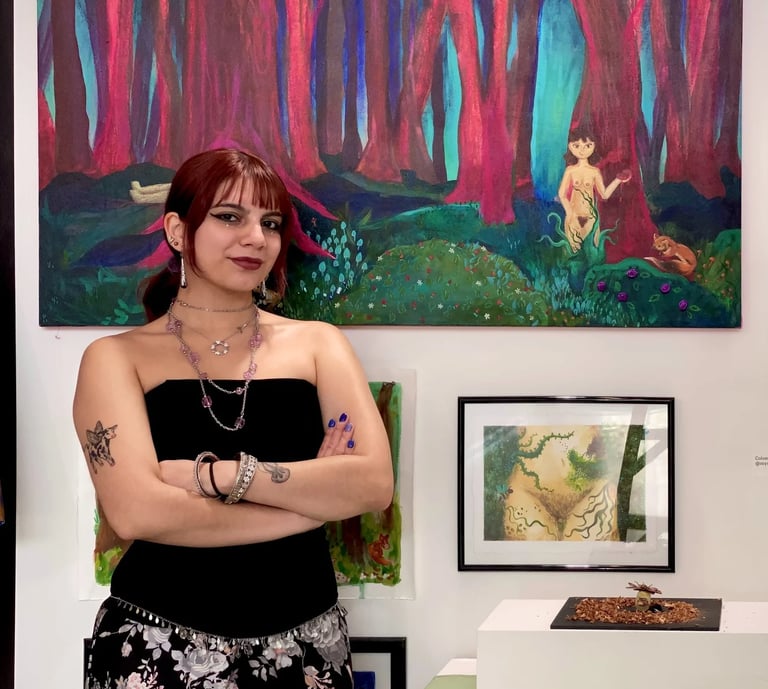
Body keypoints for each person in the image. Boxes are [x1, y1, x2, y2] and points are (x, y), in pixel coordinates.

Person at [73, 148, 394, 688]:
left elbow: (371, 484)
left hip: (307, 647)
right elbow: (137, 514)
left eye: (270, 223)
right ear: (178, 229)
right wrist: (307, 511)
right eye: (229, 217)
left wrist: (216, 476)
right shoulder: (114, 358)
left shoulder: (319, 345)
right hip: (157, 646)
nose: (256, 238)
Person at [557, 126, 631, 252]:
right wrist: (570, 213)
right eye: (576, 145)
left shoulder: (595, 172)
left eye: (587, 145)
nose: (582, 150)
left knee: (591, 251)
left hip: (591, 217)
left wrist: (618, 180)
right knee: (573, 250)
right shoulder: (570, 170)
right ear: (570, 146)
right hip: (573, 216)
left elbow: (604, 195)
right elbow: (562, 194)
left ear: (594, 146)